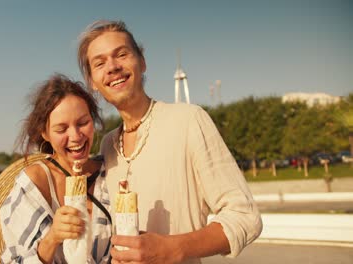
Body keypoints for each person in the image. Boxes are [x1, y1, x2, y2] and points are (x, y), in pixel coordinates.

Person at [77, 20, 262, 264]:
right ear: (93, 82)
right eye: (99, 63)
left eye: (121, 54)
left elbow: (245, 217)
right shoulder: (107, 145)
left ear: (142, 62)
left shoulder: (188, 120)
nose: (112, 67)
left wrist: (174, 248)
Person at [0, 74, 112, 263]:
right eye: (61, 129)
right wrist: (52, 237)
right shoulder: (36, 182)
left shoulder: (110, 173)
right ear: (45, 133)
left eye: (83, 123)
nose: (75, 136)